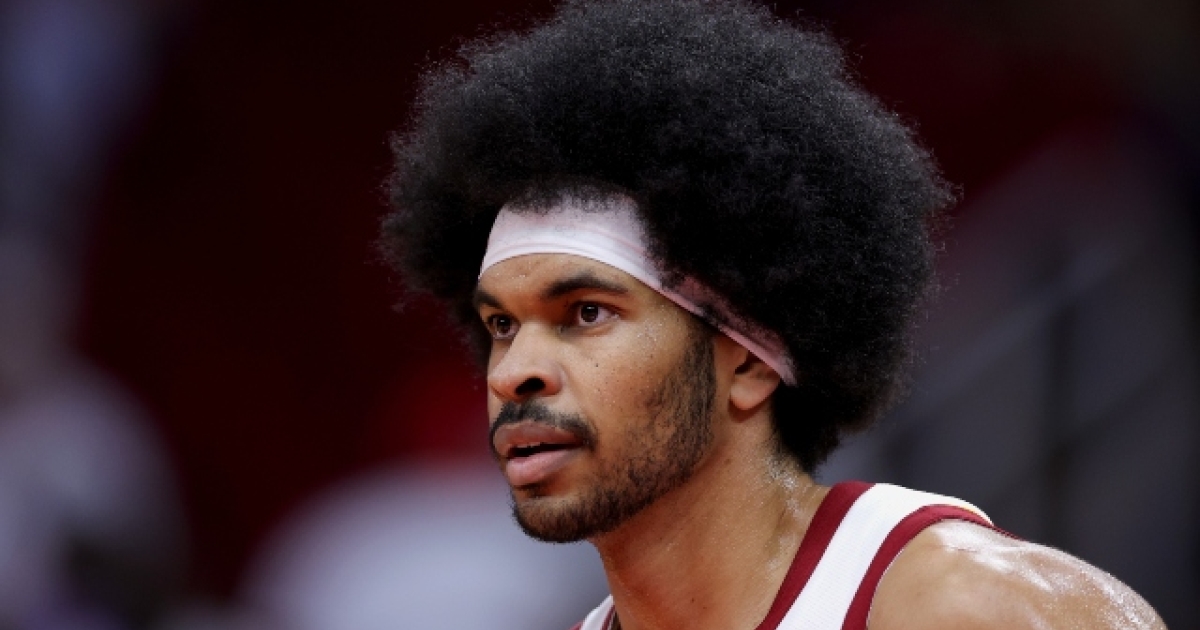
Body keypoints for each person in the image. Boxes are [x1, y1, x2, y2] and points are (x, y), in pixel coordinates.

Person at [379, 0, 1167, 628]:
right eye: (502, 326)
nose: (515, 373)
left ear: (749, 361)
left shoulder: (973, 606)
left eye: (586, 312)